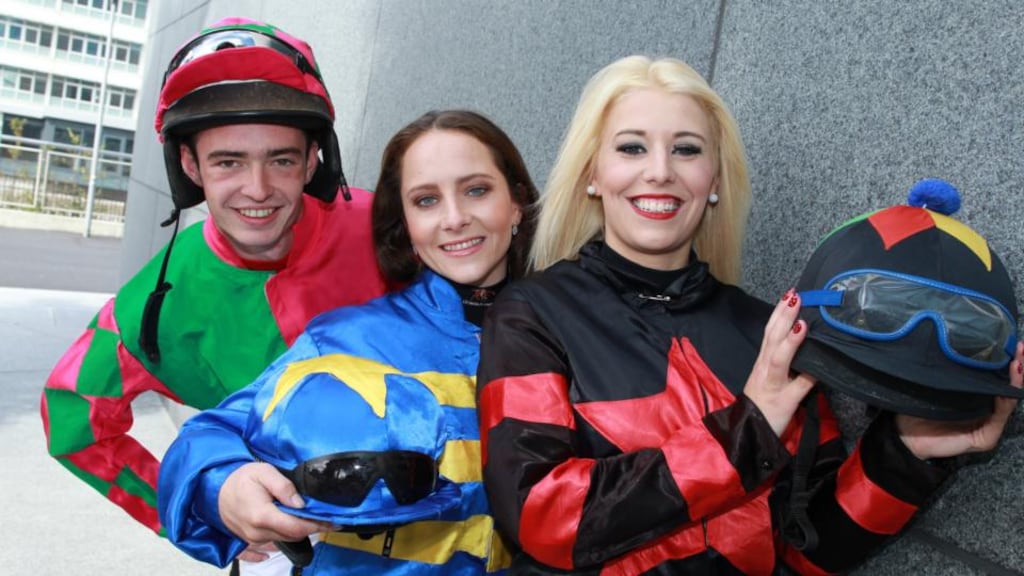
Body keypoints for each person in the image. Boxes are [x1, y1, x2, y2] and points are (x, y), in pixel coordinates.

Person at [476, 55, 1023, 575]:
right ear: (593, 173)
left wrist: (904, 454)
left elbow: (806, 552)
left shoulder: (774, 331)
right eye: (632, 147)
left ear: (714, 180)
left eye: (686, 150)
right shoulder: (530, 314)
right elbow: (541, 513)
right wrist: (748, 430)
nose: (660, 171)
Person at [39, 15, 387, 565]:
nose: (257, 189)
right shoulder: (154, 302)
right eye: (228, 162)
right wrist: (198, 511)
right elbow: (72, 418)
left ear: (312, 161)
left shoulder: (388, 227)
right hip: (299, 541)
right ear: (189, 165)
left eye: (281, 159)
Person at [157, 109, 539, 574]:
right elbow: (209, 435)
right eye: (426, 200)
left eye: (476, 190)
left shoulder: (571, 330)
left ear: (516, 202)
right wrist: (226, 485)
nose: (455, 218)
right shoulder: (347, 339)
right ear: (405, 222)